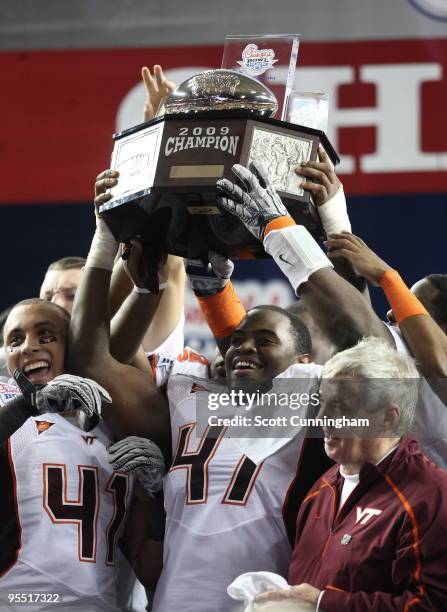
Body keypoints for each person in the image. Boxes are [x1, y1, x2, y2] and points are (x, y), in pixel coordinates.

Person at [254, 337, 447, 611]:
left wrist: (322, 603)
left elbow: (432, 605)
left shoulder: (430, 497)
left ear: (388, 418)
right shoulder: (321, 488)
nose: (322, 418)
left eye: (342, 406)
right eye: (322, 402)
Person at [0, 298, 166, 611]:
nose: (28, 348)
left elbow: (149, 569)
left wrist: (158, 495)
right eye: (15, 341)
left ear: (74, 347)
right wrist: (27, 406)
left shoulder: (115, 428)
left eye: (45, 336)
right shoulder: (7, 401)